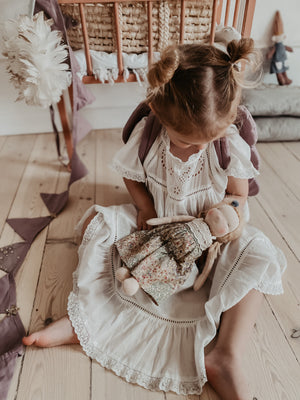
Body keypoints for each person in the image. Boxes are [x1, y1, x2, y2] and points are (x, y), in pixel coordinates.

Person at [23, 39, 286, 400]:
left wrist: (226, 216)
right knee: (98, 226)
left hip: (208, 235)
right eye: (187, 142)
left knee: (260, 252)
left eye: (204, 144)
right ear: (160, 115)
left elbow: (238, 195)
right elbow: (131, 176)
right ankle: (85, 322)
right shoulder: (149, 133)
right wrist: (145, 208)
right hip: (159, 224)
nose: (197, 150)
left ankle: (225, 354)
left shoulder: (227, 141)